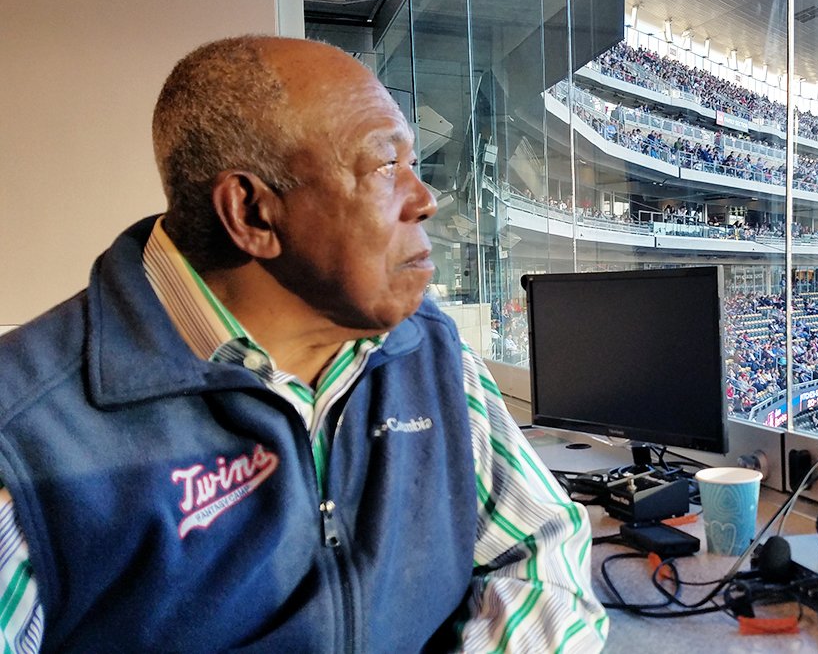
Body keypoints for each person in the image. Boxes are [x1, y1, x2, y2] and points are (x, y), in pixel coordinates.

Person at [0, 35, 607, 652]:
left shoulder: (430, 351)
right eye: (384, 166)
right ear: (253, 213)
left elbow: (542, 552)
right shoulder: (22, 438)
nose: (425, 200)